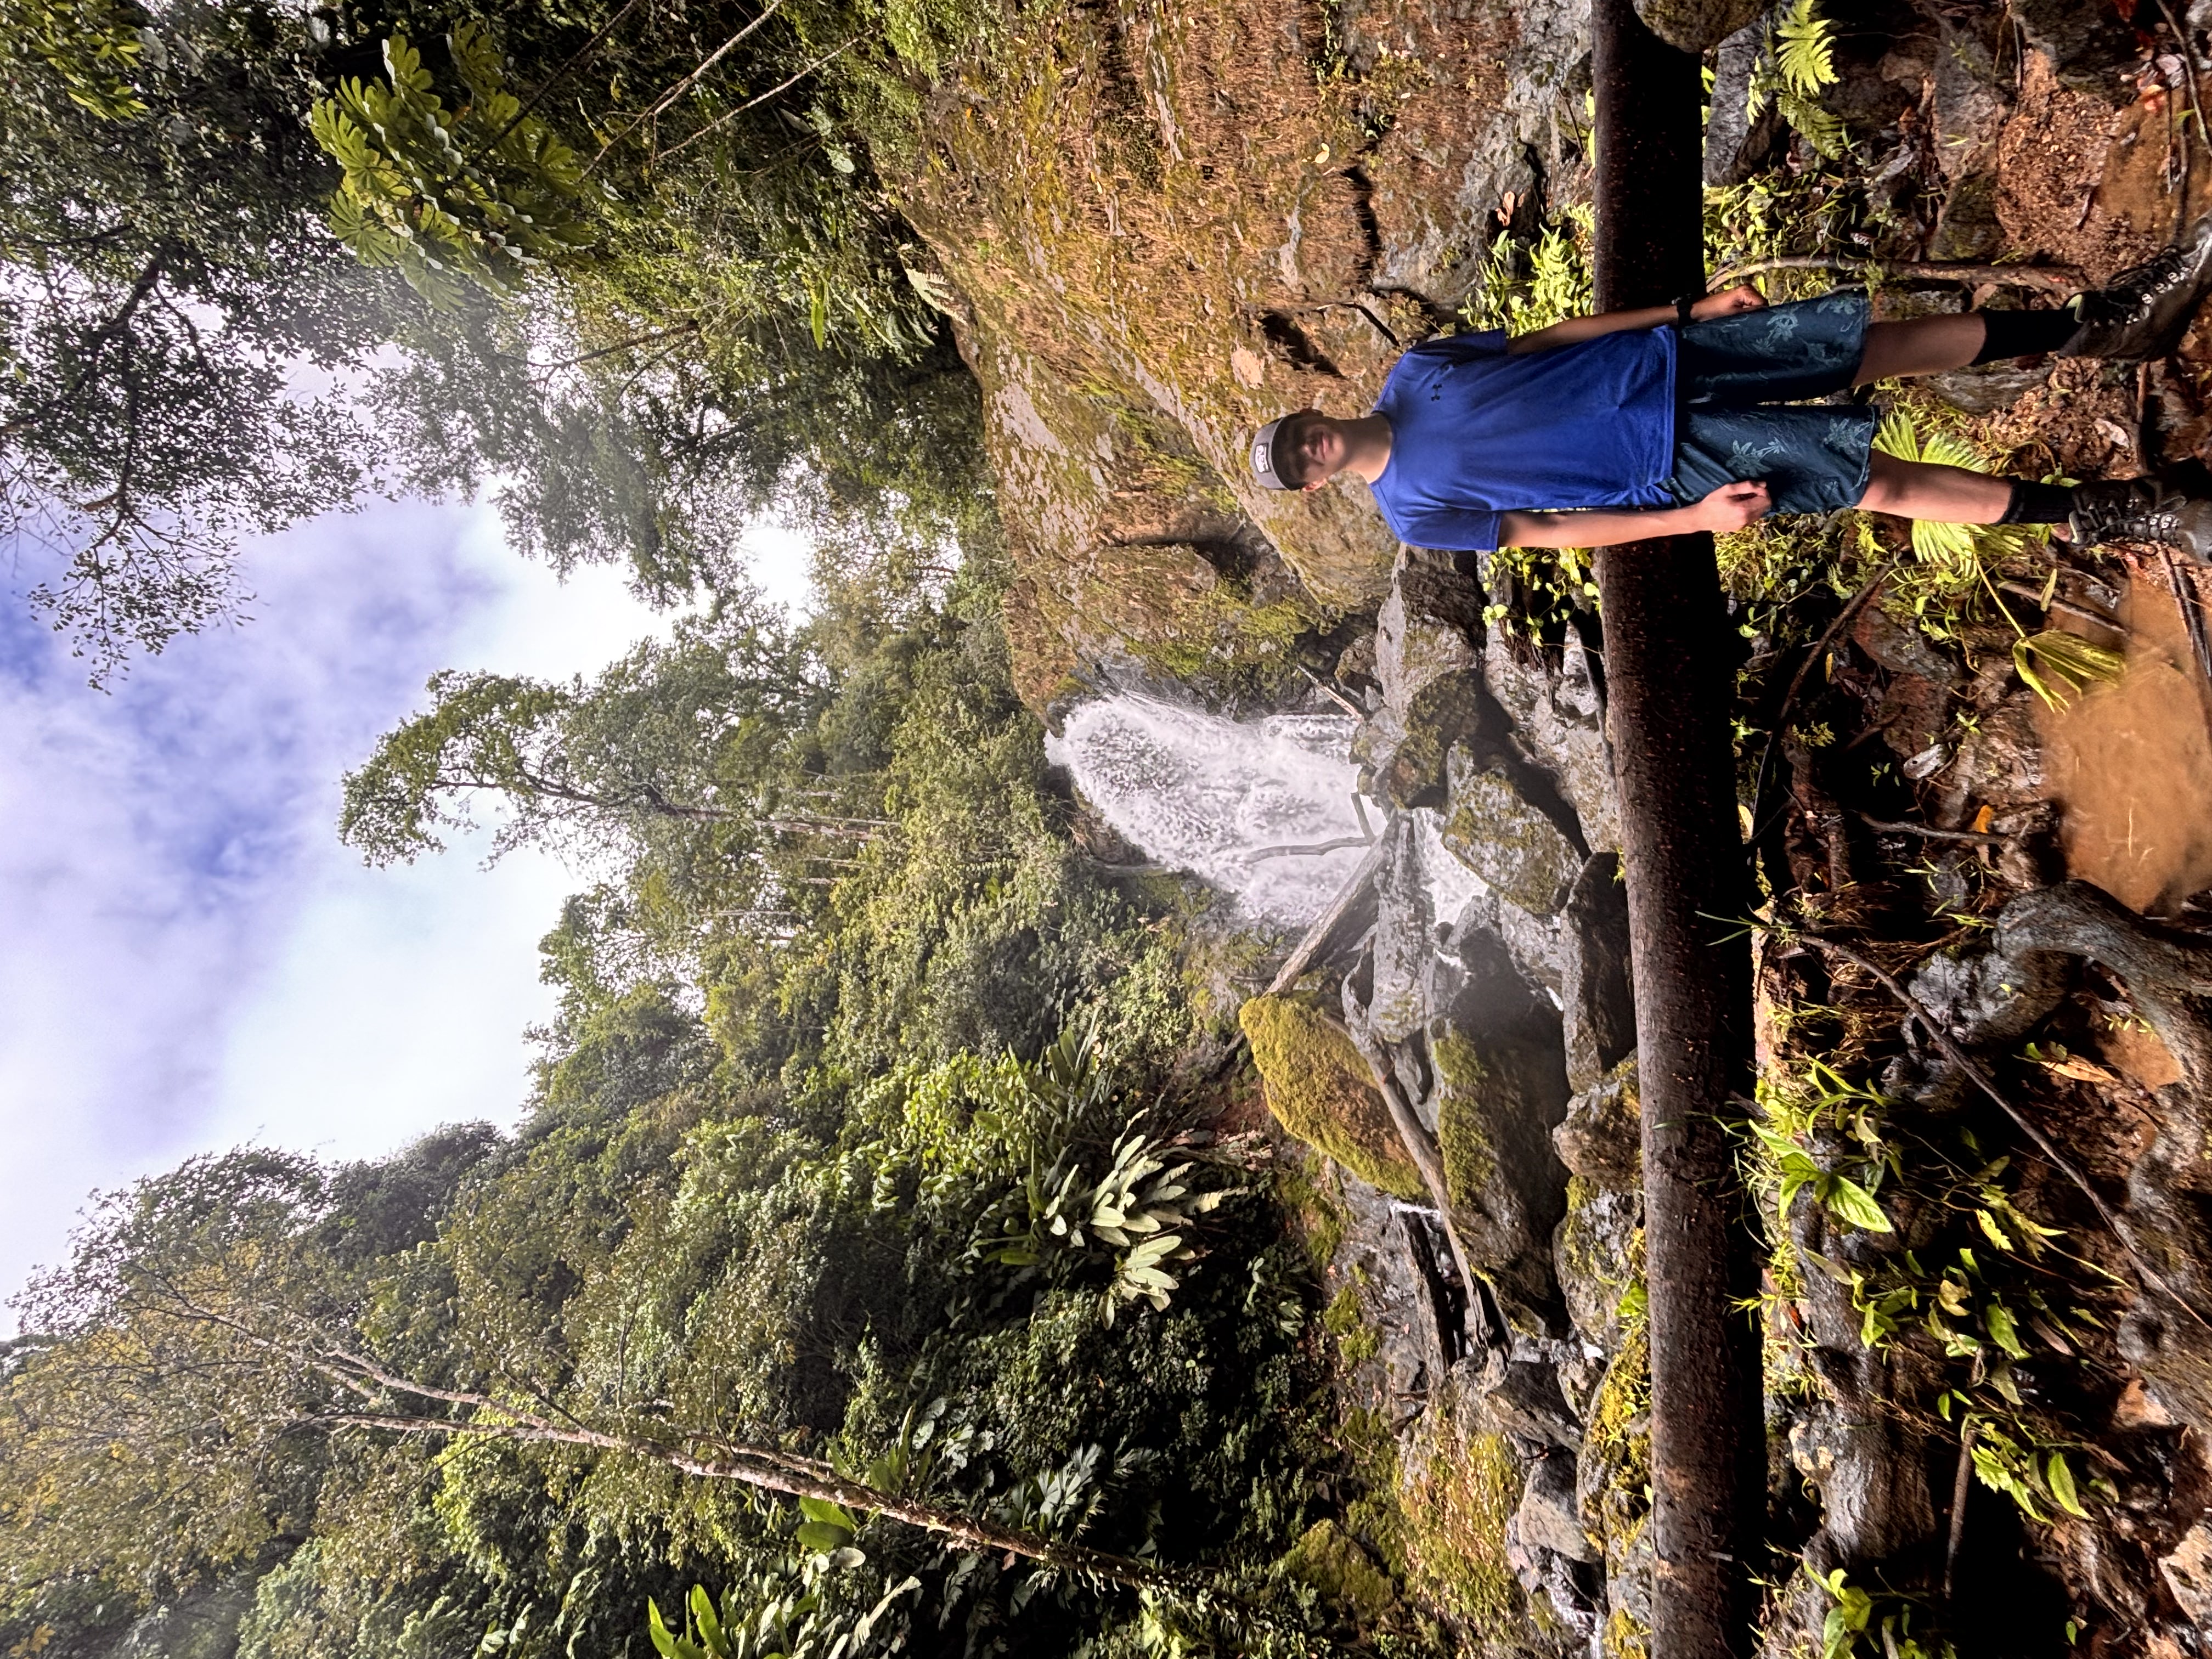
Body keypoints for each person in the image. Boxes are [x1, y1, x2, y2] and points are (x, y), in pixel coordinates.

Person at [1249, 224, 2212, 556]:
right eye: (1299, 466)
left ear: (1312, 412)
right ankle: (2121, 511)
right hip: (1672, 465)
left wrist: (1682, 310)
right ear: (1313, 487)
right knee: (1873, 483)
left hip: (1672, 362)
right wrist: (1692, 523)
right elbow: (1547, 531)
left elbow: (1549, 337)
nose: (1309, 449)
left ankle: (2107, 326)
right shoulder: (1416, 515)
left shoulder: (1418, 369)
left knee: (1873, 348)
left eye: (1299, 433)